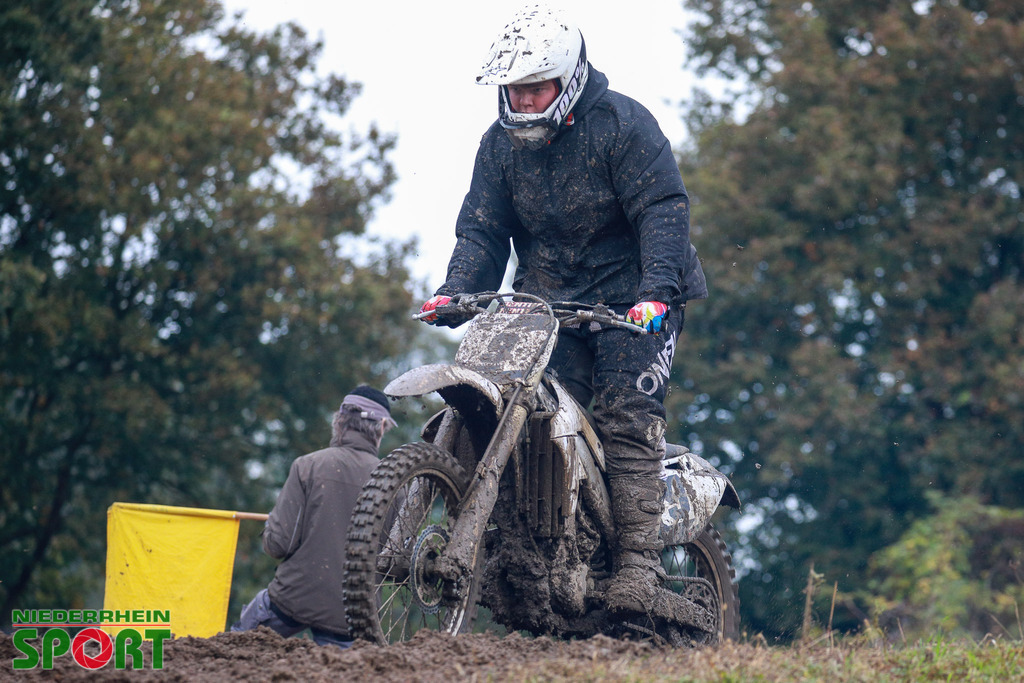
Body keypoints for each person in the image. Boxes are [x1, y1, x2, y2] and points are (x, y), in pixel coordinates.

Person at [418, 5, 708, 617]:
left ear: (568, 79)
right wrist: (455, 290)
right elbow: (483, 228)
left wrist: (656, 292)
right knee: (517, 411)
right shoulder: (499, 146)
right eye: (514, 91)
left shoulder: (623, 126)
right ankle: (521, 546)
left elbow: (662, 209)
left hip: (634, 297)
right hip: (548, 297)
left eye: (535, 89)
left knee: (624, 414)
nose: (523, 102)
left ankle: (639, 567)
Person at [230, 385, 396, 647]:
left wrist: (274, 521)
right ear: (381, 428)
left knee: (230, 651)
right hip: (352, 615)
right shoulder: (396, 483)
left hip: (292, 599)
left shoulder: (308, 465)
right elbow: (393, 565)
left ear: (339, 421)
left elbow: (277, 545)